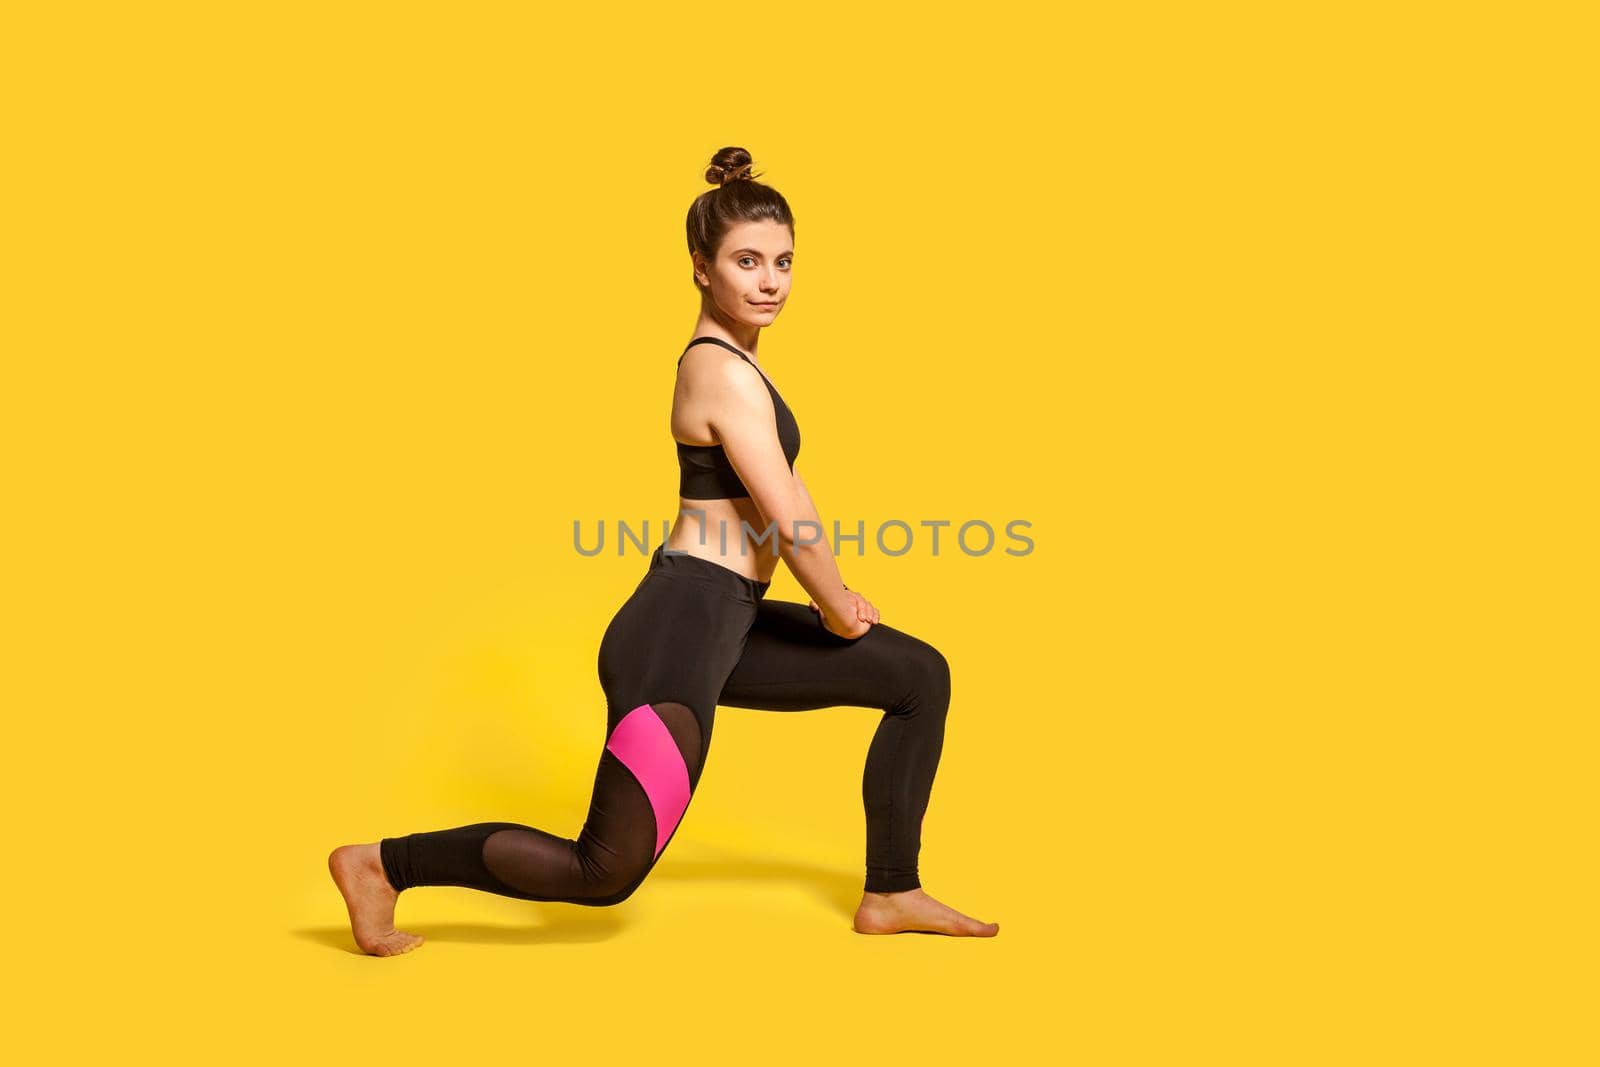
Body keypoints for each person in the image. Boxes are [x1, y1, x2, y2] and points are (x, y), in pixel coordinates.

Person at [329, 146, 999, 954]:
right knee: (602, 871)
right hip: (678, 632)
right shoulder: (718, 372)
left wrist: (841, 596)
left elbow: (785, 486)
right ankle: (381, 864)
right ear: (701, 269)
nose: (770, 280)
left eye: (783, 261)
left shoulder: (744, 367)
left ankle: (893, 889)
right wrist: (834, 603)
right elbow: (786, 520)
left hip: (729, 622)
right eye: (746, 261)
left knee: (917, 675)